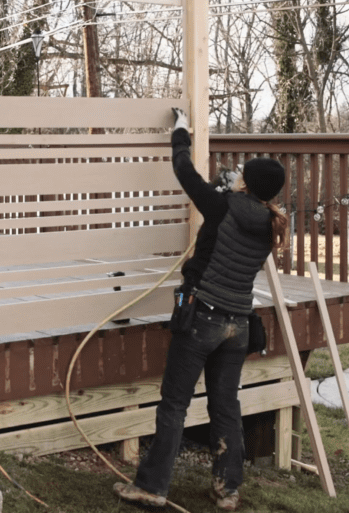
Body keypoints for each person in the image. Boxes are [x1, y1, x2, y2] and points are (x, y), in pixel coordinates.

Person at [113, 108, 287, 511]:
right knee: (225, 405)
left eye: (243, 173)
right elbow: (228, 226)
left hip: (203, 319)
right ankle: (227, 492)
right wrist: (226, 191)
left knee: (174, 403)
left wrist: (180, 131)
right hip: (238, 325)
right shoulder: (269, 222)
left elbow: (183, 169)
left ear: (247, 183)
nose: (238, 174)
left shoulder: (222, 206)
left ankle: (151, 487)